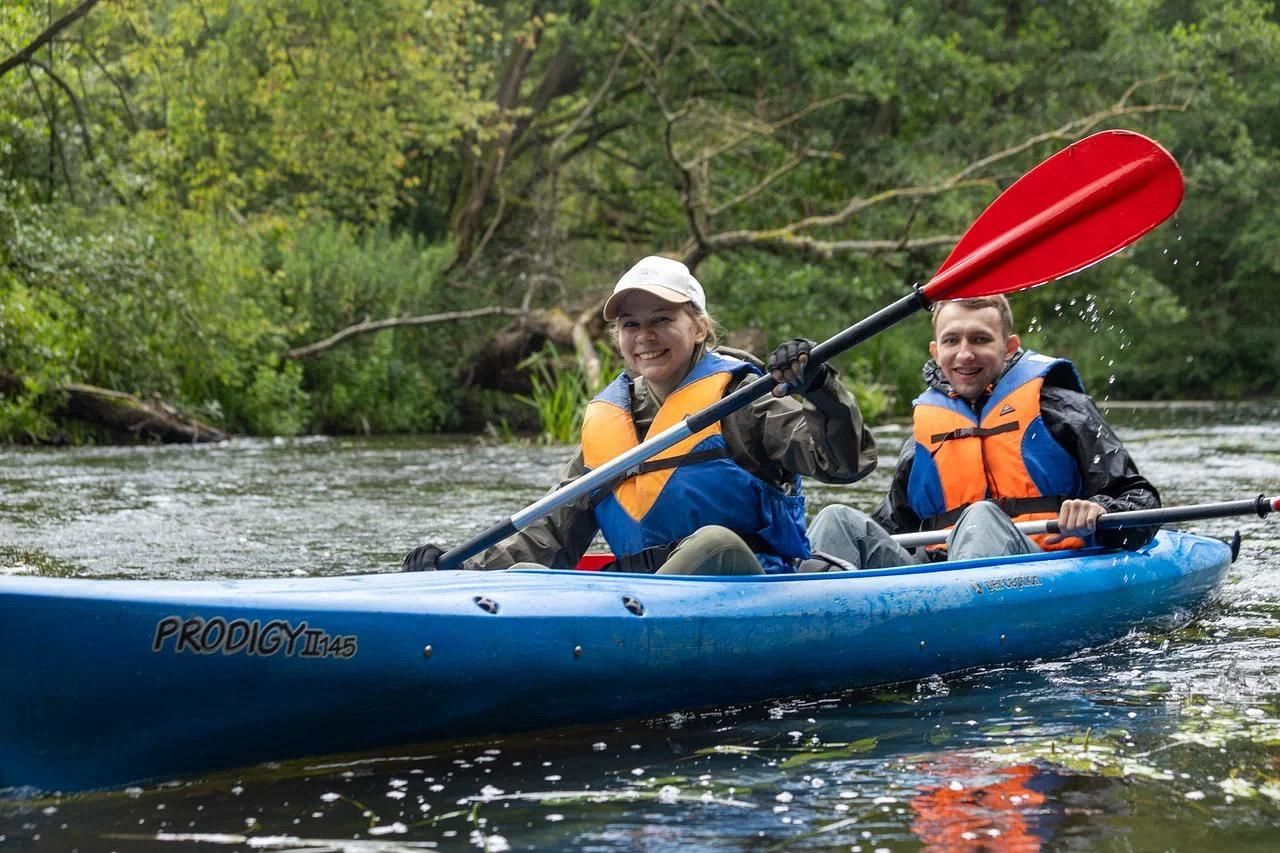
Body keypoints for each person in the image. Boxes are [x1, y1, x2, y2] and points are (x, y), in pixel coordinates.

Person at [403, 255, 877, 574]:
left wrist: (821, 390)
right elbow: (549, 531)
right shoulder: (611, 421)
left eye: (662, 320)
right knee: (526, 573)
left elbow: (844, 464)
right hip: (642, 595)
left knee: (715, 541)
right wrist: (460, 573)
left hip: (750, 588)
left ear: (698, 327)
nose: (645, 336)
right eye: (631, 325)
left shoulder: (745, 400)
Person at [807, 294, 1159, 569]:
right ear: (936, 350)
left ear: (1008, 348)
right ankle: (803, 617)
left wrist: (1098, 509)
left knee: (980, 514)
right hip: (935, 578)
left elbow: (1141, 499)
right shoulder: (922, 438)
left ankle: (959, 626)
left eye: (979, 339)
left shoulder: (1062, 410)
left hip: (1041, 566)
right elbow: (895, 529)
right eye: (951, 341)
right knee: (836, 519)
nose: (964, 354)